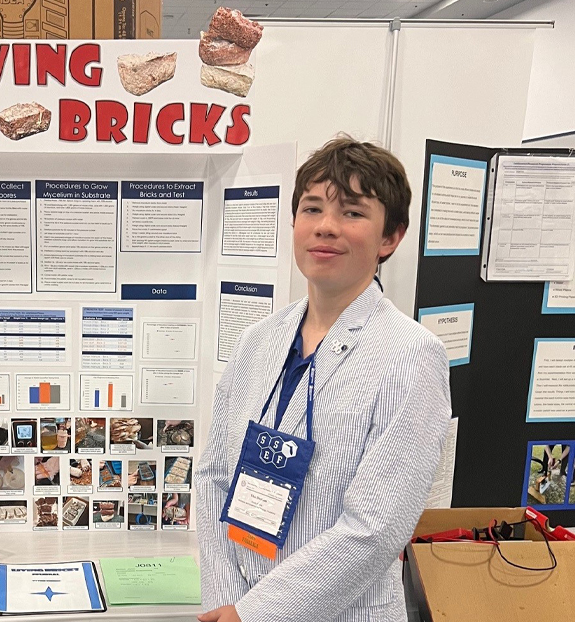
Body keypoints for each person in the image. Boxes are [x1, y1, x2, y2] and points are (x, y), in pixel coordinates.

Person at [196, 136, 452, 622]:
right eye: (312, 208)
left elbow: (375, 528)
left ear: (390, 237)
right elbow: (212, 477)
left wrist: (257, 614)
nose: (326, 227)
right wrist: (228, 602)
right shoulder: (258, 341)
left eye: (353, 213)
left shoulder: (411, 356)